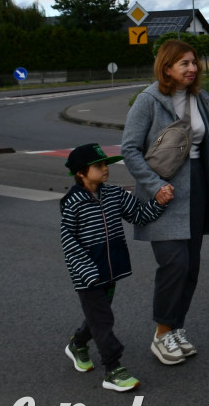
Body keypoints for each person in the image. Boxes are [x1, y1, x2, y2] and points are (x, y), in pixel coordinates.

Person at [122, 40, 209, 365]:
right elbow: (129, 148)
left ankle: (176, 328)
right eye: (184, 64)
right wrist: (154, 185)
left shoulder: (198, 99)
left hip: (198, 191)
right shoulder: (148, 101)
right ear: (166, 68)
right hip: (163, 195)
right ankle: (162, 333)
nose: (192, 68)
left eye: (193, 63)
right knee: (173, 264)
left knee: (190, 266)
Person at [60, 143, 173, 391]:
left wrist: (160, 201)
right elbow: (68, 240)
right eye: (99, 166)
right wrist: (87, 271)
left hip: (110, 271)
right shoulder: (72, 202)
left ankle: (78, 343)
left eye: (106, 165)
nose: (105, 169)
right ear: (81, 172)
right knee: (103, 319)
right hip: (87, 275)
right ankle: (113, 369)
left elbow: (139, 215)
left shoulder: (114, 194)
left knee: (96, 317)